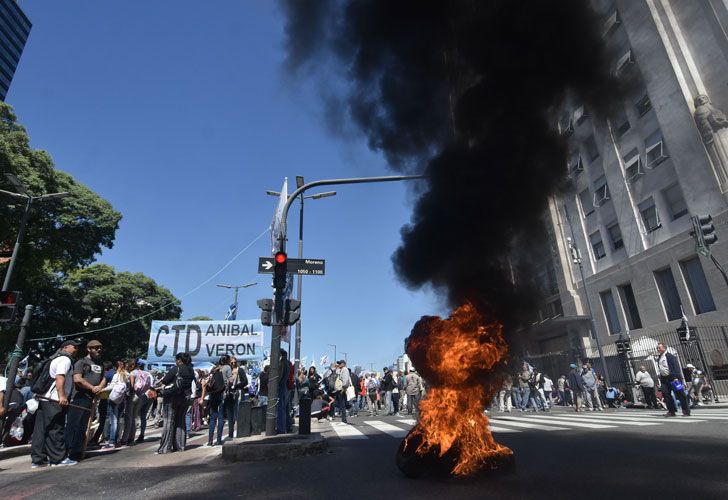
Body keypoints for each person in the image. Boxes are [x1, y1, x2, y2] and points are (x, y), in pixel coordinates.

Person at [31, 340, 80, 468]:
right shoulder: (65, 360)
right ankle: (58, 459)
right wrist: (62, 396)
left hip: (44, 399)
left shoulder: (55, 359)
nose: (76, 349)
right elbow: (60, 377)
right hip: (54, 400)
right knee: (56, 428)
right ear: (65, 348)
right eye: (74, 347)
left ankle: (38, 460)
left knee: (40, 430)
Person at [65, 340, 105, 461]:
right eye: (95, 348)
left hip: (91, 399)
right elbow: (77, 379)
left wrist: (100, 387)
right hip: (79, 398)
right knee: (73, 425)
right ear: (89, 349)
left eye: (100, 348)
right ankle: (67, 451)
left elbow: (103, 378)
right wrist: (92, 387)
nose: (98, 350)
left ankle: (78, 451)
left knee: (84, 426)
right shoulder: (81, 362)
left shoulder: (100, 364)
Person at [157, 352, 194, 453]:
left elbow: (164, 381)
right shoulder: (191, 370)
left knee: (169, 421)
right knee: (181, 422)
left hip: (172, 398)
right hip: (185, 398)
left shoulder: (175, 369)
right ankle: (180, 445)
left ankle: (165, 447)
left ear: (179, 360)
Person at [656, 342, 690, 417]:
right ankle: (671, 411)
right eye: (657, 348)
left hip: (674, 378)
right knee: (666, 394)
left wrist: (675, 377)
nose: (658, 349)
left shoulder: (670, 356)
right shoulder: (659, 357)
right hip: (664, 379)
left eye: (659, 347)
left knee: (680, 394)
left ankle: (686, 411)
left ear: (664, 348)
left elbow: (676, 367)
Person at [203, 356, 229, 446]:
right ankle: (218, 440)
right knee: (220, 418)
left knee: (213, 418)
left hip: (212, 396)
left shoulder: (212, 373)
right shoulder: (222, 373)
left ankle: (210, 441)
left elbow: (207, 386)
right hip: (220, 396)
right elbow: (224, 385)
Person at [127, 359, 151, 444]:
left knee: (130, 417)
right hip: (141, 396)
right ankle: (132, 438)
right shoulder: (147, 374)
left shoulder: (133, 373)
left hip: (133, 396)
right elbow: (148, 386)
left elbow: (132, 385)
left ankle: (127, 438)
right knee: (135, 417)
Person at [334, 360, 351, 425]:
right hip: (339, 389)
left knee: (342, 404)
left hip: (342, 389)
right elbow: (336, 372)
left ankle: (344, 420)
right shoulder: (341, 370)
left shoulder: (345, 370)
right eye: (338, 363)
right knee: (338, 403)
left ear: (343, 364)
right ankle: (347, 407)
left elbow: (346, 379)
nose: (339, 364)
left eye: (340, 363)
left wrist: (343, 388)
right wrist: (337, 367)